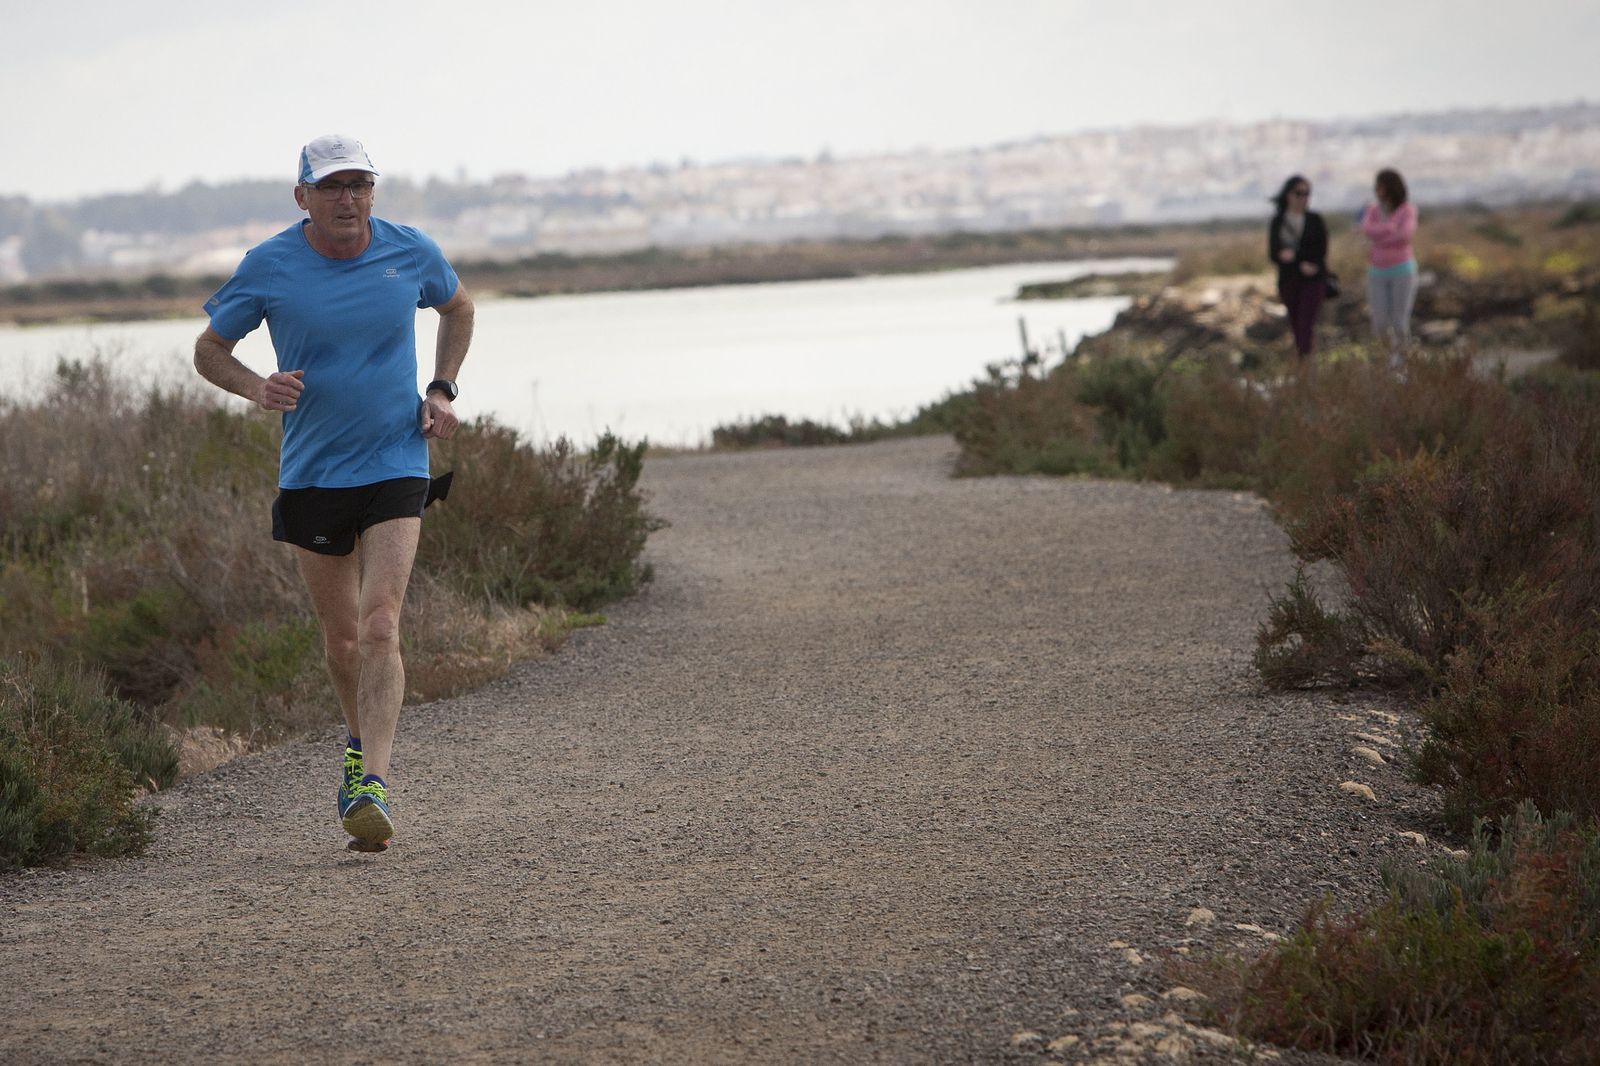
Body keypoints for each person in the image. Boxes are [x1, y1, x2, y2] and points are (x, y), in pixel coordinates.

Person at [193, 134, 474, 849]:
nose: (348, 198)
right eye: (332, 186)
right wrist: (257, 387)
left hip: (397, 462)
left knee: (380, 624)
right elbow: (208, 350)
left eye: (359, 184)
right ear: (303, 197)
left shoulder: (410, 250)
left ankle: (373, 782)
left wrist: (441, 388)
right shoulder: (270, 265)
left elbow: (459, 308)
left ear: (372, 192)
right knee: (343, 638)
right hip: (314, 472)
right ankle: (356, 744)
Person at [1358, 168, 1419, 365]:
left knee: (1399, 320)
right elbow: (1365, 228)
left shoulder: (1407, 209)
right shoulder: (1373, 210)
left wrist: (1379, 238)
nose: (1377, 191)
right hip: (1377, 272)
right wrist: (1389, 229)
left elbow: (1405, 235)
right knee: (1380, 322)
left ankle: (1401, 363)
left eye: (1380, 186)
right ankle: (1383, 363)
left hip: (1402, 270)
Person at [1267, 175, 1330, 358]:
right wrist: (1299, 263)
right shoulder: (1278, 221)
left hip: (1313, 279)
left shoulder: (1314, 219)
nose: (1303, 197)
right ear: (1288, 194)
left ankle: (1305, 364)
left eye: (1307, 193)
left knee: (1305, 324)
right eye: (1299, 193)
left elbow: (1321, 250)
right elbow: (1274, 253)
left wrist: (1295, 257)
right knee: (1296, 325)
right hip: (1289, 280)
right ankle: (1303, 364)